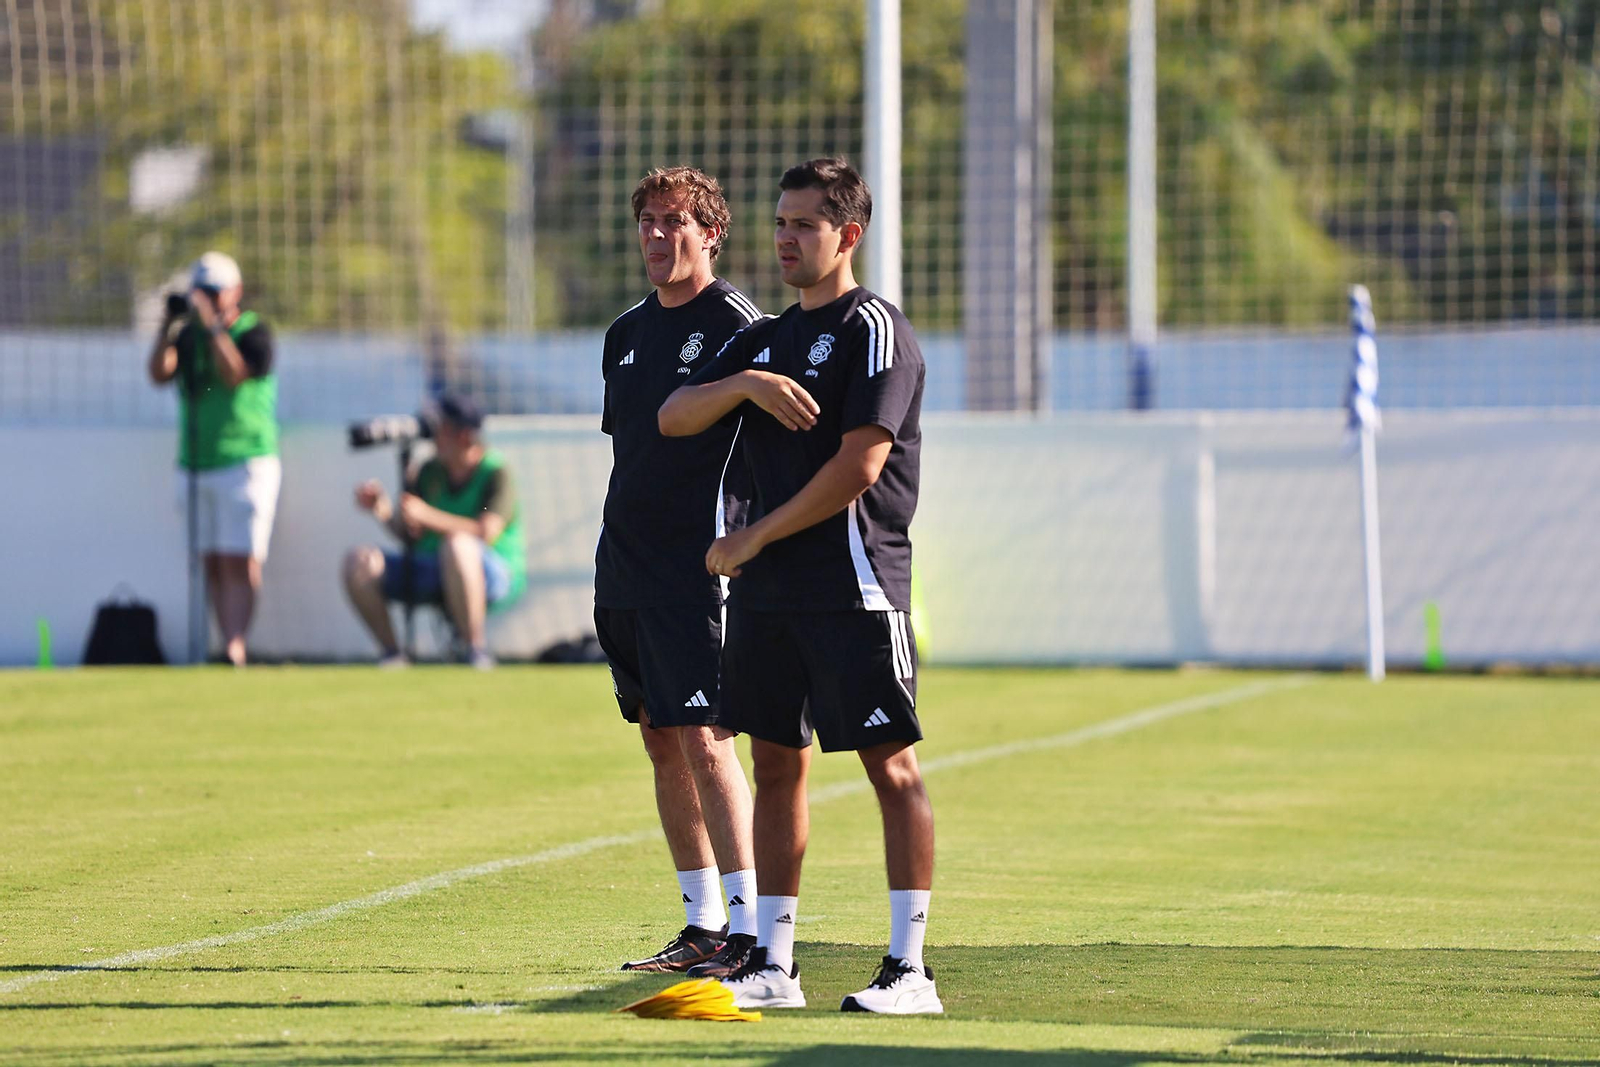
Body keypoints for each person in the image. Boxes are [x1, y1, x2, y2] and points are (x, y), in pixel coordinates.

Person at [659, 157, 939, 1014]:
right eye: (779, 222)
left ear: (847, 235)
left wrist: (752, 536)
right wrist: (742, 382)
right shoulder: (769, 337)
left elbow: (860, 467)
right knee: (776, 765)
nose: (784, 238)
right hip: (770, 597)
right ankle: (775, 963)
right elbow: (674, 414)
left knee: (893, 770)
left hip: (854, 587)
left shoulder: (875, 329)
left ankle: (909, 969)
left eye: (804, 225)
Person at [595, 166, 783, 976]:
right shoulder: (625, 334)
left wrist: (752, 544)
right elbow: (631, 452)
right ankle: (702, 922)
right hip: (625, 569)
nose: (657, 237)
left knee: (709, 742)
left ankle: (748, 930)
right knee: (659, 740)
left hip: (698, 572)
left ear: (711, 232)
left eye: (675, 222)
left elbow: (777, 445)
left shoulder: (742, 324)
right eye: (647, 222)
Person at [147, 251, 280, 667]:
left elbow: (235, 374)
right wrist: (167, 327)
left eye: (213, 292)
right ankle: (222, 644)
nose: (205, 299)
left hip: (244, 460)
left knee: (240, 557)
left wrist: (213, 329)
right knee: (212, 557)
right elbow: (159, 373)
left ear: (235, 292)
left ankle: (235, 645)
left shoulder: (254, 332)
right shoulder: (187, 336)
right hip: (196, 462)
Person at [342, 394, 525, 669]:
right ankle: (393, 655)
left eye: (442, 428)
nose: (433, 435)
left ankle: (475, 652)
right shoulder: (429, 471)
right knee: (359, 562)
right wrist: (383, 510)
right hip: (432, 567)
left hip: (490, 572)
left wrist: (428, 516)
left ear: (464, 435)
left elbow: (486, 533)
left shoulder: (496, 472)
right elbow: (411, 536)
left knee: (458, 546)